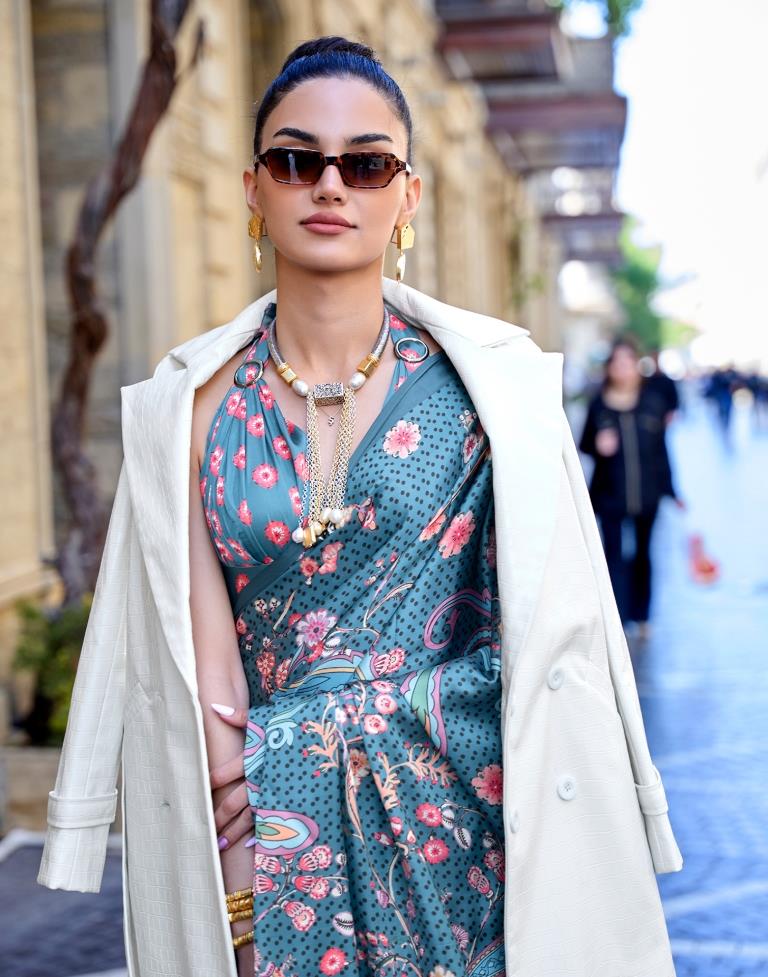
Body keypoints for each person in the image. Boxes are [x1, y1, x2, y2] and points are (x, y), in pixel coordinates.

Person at [37, 36, 683, 977]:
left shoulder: (486, 397)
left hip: (478, 848)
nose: (330, 185)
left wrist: (338, 727)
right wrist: (248, 903)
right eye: (298, 160)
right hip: (279, 858)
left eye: (367, 162)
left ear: (406, 196)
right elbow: (213, 708)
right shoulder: (190, 411)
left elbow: (549, 644)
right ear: (255, 188)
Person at [579, 335, 682, 637]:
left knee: (643, 554)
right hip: (610, 495)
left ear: (637, 366)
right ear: (609, 368)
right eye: (617, 363)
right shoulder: (599, 404)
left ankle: (643, 615)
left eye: (628, 362)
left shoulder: (652, 401)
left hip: (647, 494)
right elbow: (584, 444)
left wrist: (672, 490)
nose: (623, 369)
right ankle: (618, 616)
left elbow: (662, 450)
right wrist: (598, 445)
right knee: (613, 555)